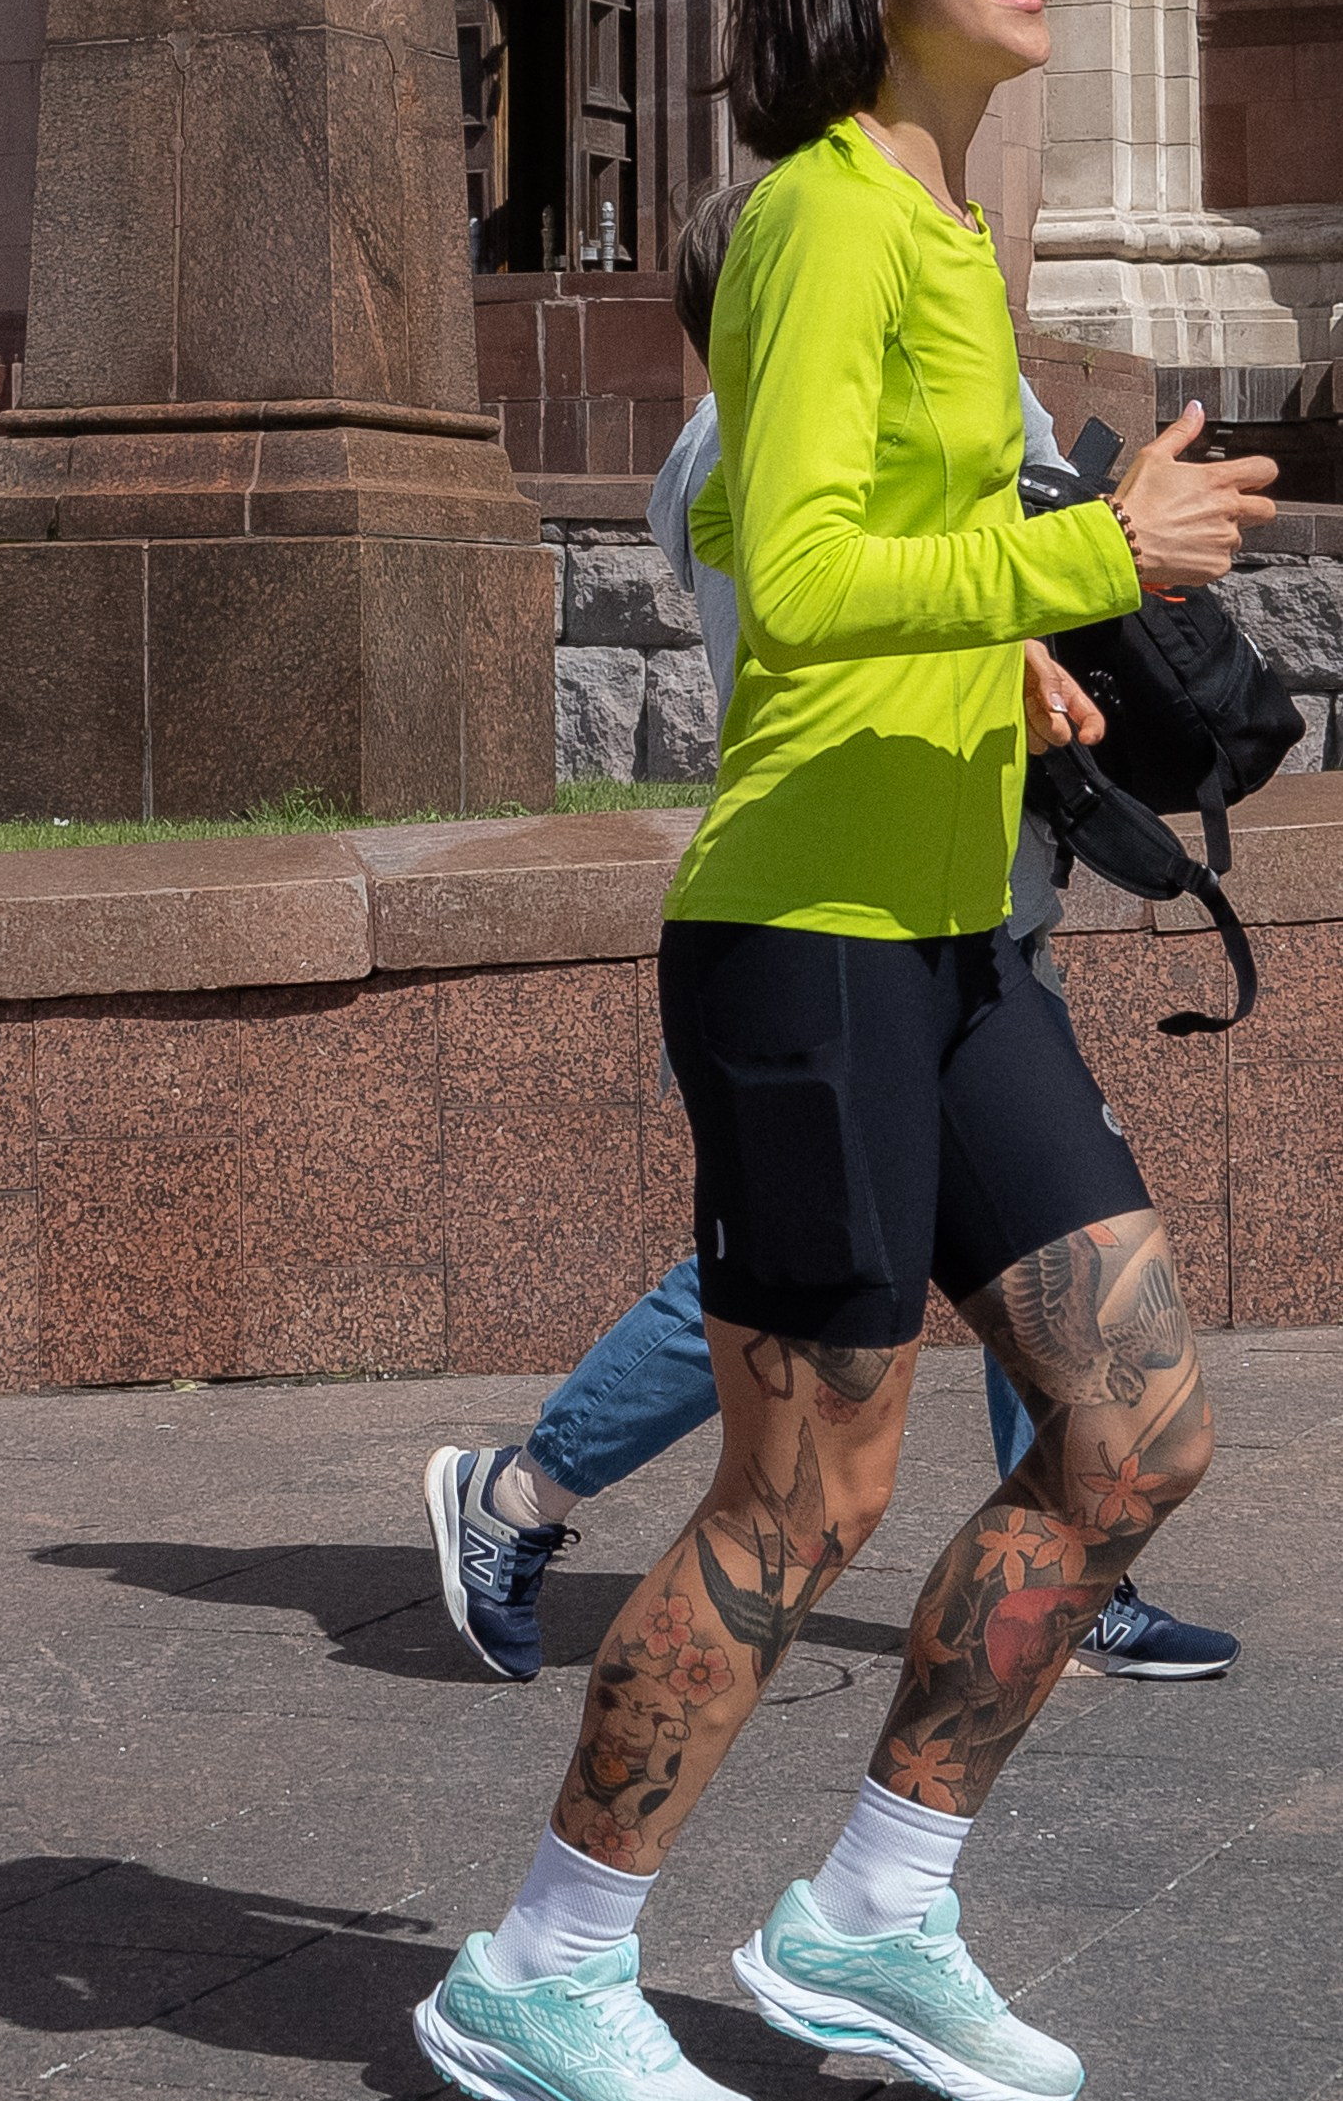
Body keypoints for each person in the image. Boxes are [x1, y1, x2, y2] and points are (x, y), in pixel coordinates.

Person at [412, 0, 1273, 2101]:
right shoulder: (818, 218)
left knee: (1135, 1433)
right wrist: (1084, 553)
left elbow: (872, 578)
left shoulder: (933, 226)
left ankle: (875, 1911)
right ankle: (541, 1966)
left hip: (950, 930)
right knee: (805, 1502)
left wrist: (1000, 655)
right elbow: (787, 569)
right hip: (802, 940)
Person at [429, 190, 1239, 1693]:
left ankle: (1081, 1549)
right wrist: (1073, 561)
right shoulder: (744, 457)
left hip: (977, 895)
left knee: (1042, 1252)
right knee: (801, 1302)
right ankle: (518, 1494)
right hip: (840, 916)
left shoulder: (871, 415)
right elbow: (844, 616)